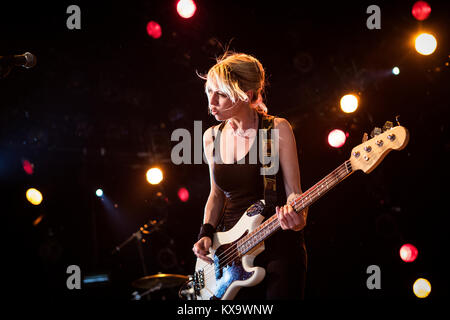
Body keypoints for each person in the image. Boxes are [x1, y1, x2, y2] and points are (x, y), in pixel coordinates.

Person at [192, 51, 308, 300]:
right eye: (210, 91)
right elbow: (216, 194)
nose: (211, 101)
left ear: (248, 95)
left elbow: (294, 193)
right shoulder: (211, 136)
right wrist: (205, 232)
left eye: (221, 93)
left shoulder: (278, 129)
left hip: (278, 246)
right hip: (230, 253)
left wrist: (297, 218)